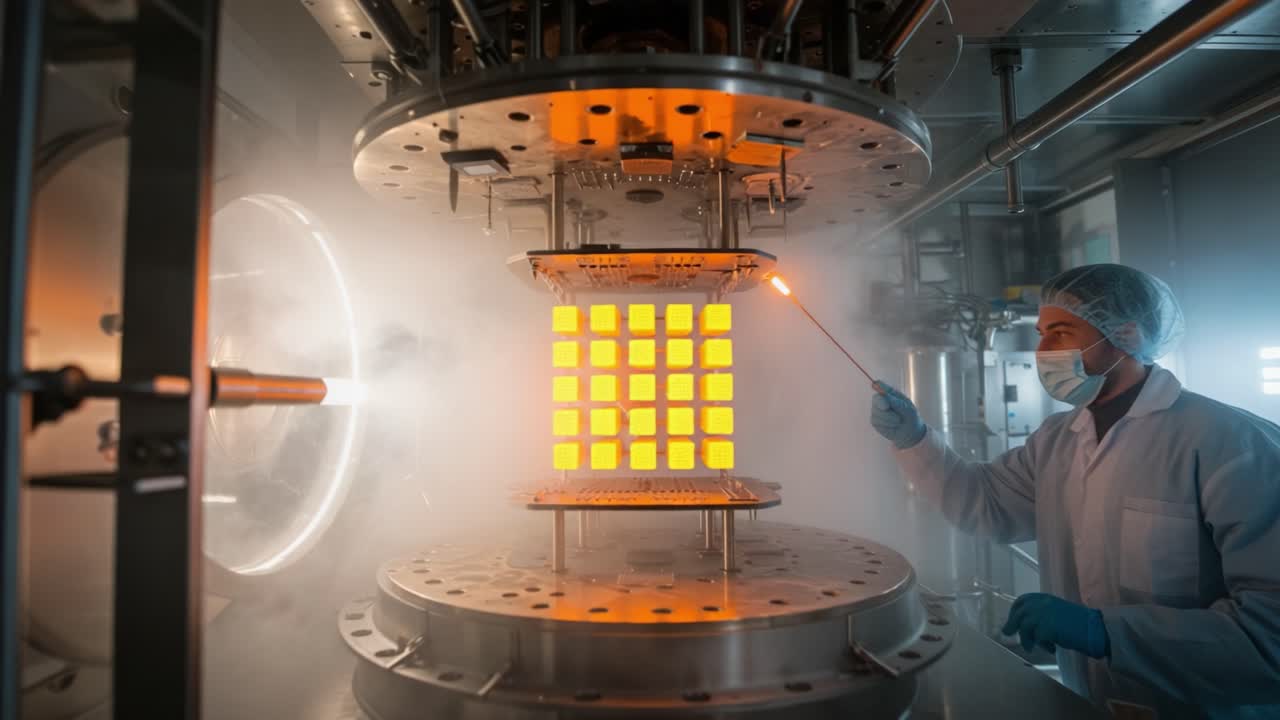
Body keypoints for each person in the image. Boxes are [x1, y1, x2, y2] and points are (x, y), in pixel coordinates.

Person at [870, 264, 1280, 719]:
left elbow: (1271, 632)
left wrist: (1106, 632)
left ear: (1126, 334)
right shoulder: (1058, 438)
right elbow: (986, 505)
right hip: (1087, 700)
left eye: (1061, 333)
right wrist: (915, 440)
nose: (1042, 351)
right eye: (1042, 334)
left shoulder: (1232, 444)